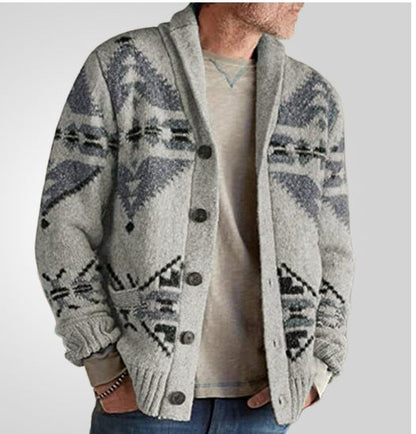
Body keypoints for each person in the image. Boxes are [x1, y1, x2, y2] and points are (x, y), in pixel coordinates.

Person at [34, 2, 354, 433]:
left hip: (266, 408)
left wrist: (318, 369)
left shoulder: (314, 97)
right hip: (144, 401)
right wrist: (103, 366)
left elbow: (333, 248)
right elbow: (62, 225)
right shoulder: (123, 68)